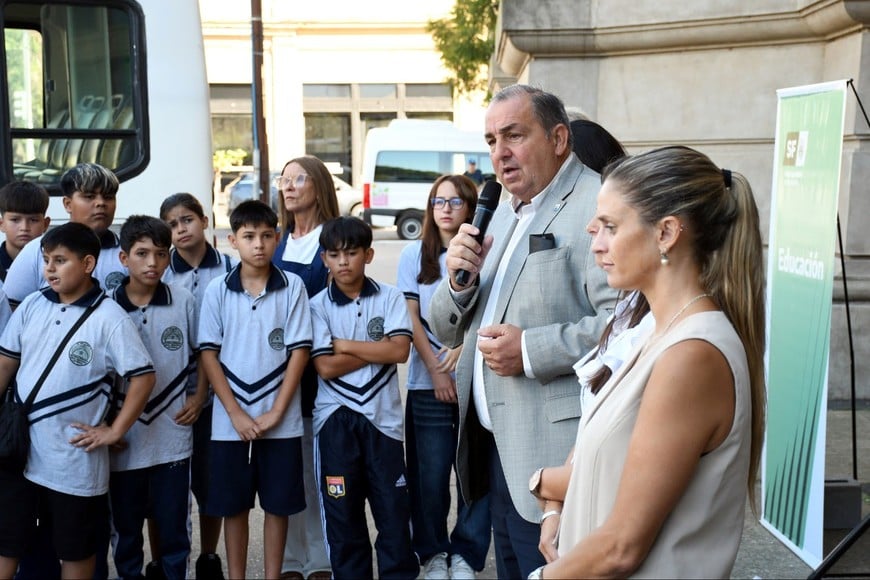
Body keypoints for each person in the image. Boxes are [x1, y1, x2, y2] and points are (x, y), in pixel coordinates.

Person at [529, 146, 766, 578]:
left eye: (610, 226)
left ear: (666, 233)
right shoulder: (663, 332)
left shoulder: (692, 353)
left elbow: (622, 546)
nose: (594, 240)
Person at [427, 84, 617, 579]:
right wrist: (457, 280)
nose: (499, 153)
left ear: (558, 139)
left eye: (514, 135)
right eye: (491, 140)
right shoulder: (507, 208)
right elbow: (443, 327)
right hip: (497, 452)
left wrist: (530, 351)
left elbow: (626, 325)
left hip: (556, 460)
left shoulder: (598, 203)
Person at [0, 222, 155, 580]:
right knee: (8, 543)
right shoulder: (33, 305)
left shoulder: (109, 318)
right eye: (46, 261)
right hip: (19, 454)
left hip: (73, 464)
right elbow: (7, 362)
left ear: (87, 264)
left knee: (77, 550)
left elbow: (143, 377)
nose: (49, 269)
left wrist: (114, 431)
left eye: (60, 260)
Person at [198, 200, 311, 580]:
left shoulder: (292, 285)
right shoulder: (218, 289)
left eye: (266, 235)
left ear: (278, 238)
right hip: (230, 422)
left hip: (281, 419)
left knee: (278, 506)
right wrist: (235, 413)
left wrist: (277, 412)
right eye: (248, 236)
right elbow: (209, 354)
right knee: (234, 507)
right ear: (233, 240)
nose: (258, 244)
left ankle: (273, 575)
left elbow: (299, 351)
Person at [309, 216, 419, 579]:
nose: (344, 262)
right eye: (335, 255)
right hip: (335, 420)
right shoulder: (315, 306)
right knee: (344, 519)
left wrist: (343, 345)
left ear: (368, 254)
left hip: (383, 422)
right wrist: (377, 348)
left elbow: (400, 351)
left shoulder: (389, 297)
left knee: (393, 516)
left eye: (352, 253)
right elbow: (325, 368)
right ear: (324, 258)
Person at [396, 175, 491, 580]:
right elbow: (412, 320)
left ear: (471, 208)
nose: (446, 208)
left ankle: (466, 555)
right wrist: (436, 371)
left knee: (474, 473)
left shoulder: (488, 250)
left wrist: (463, 348)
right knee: (430, 477)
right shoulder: (413, 256)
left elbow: (490, 310)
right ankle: (433, 553)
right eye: (438, 200)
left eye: (455, 201)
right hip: (426, 382)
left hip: (477, 380)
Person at [106, 216, 202, 580]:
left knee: (174, 527)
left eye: (161, 254)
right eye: (141, 254)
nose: (151, 263)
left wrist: (199, 394)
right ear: (123, 258)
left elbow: (202, 353)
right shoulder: (106, 307)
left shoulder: (184, 301)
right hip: (125, 440)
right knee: (126, 531)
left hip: (172, 438)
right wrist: (110, 426)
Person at [160, 192, 235, 580]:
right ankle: (163, 560)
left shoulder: (229, 268)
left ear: (204, 221)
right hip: (168, 397)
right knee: (166, 487)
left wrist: (205, 392)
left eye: (187, 219)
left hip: (216, 395)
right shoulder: (161, 271)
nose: (181, 229)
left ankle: (208, 557)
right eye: (172, 225)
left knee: (210, 483)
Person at [272, 156, 339, 580]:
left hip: (319, 367)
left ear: (319, 185)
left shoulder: (331, 238)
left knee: (319, 469)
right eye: (285, 179)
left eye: (300, 178)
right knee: (286, 469)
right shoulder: (275, 240)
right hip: (277, 368)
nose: (290, 186)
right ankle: (293, 557)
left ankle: (322, 556)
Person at [4, 163, 127, 308]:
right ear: (67, 204)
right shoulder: (36, 250)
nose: (101, 203)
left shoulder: (127, 253)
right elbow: (11, 309)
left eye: (108, 197)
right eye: (89, 196)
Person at [0, 181, 50, 282]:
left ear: (45, 224)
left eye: (33, 220)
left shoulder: (53, 267)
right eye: (15, 220)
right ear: (2, 224)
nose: (24, 227)